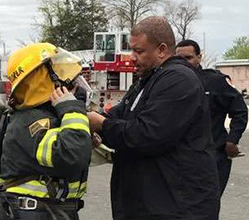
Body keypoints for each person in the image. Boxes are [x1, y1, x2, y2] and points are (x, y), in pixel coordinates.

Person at [87, 16, 220, 220]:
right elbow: (120, 114)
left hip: (177, 207)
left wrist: (102, 125)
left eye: (139, 51)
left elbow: (146, 135)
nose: (132, 57)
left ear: (161, 49)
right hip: (152, 203)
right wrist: (88, 120)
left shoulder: (178, 80)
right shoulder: (148, 80)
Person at [0, 43, 92, 220]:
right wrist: (71, 109)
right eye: (58, 70)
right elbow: (72, 155)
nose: (72, 84)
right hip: (35, 212)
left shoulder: (41, 116)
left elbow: (79, 151)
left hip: (47, 211)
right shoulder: (35, 122)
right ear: (40, 79)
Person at [175, 39, 248, 196]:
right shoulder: (169, 84)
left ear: (199, 57)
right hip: (179, 158)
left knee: (206, 206)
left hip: (212, 157)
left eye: (188, 58)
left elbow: (240, 111)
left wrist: (232, 140)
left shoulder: (216, 82)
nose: (183, 63)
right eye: (179, 59)